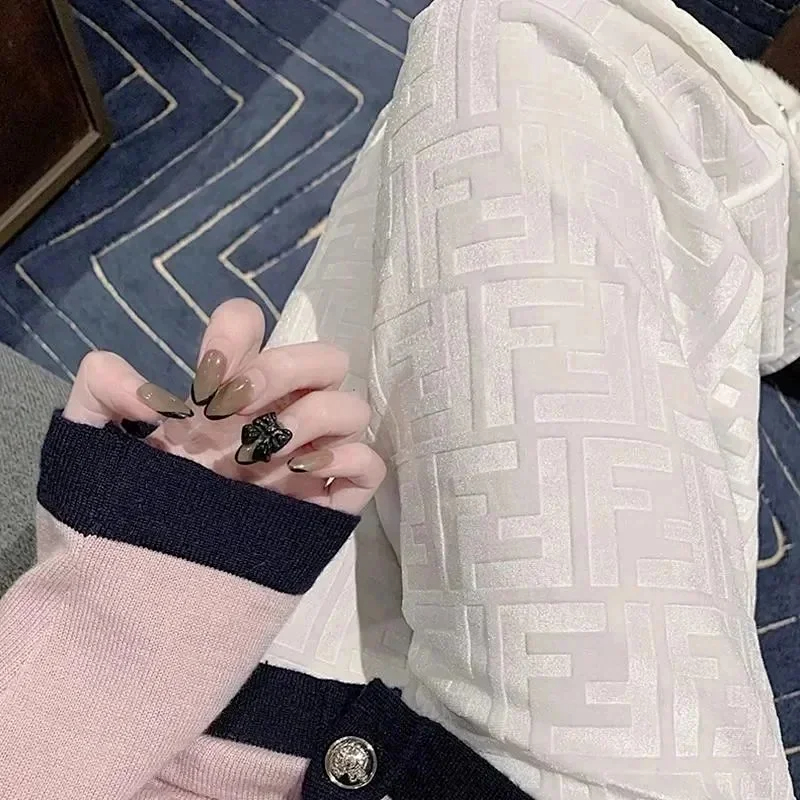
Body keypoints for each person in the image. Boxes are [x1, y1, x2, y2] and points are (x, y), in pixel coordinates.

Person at [1, 0, 799, 797]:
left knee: (408, 214)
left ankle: (756, 232)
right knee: (507, 43)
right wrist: (96, 633)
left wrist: (118, 614)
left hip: (206, 731)